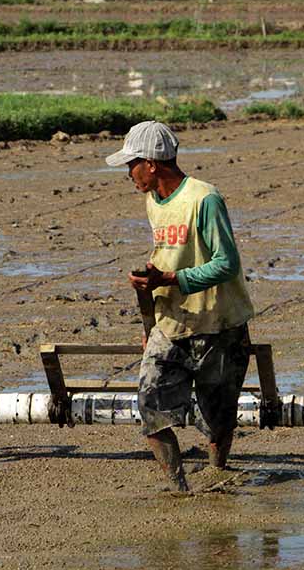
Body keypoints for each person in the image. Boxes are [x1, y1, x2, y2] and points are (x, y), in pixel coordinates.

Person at [105, 121, 255, 492]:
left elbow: (226, 264)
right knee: (151, 409)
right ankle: (179, 490)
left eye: (132, 165)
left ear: (151, 163)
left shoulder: (204, 199)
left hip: (219, 325)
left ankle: (217, 475)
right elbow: (169, 254)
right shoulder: (152, 201)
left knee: (218, 419)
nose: (129, 173)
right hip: (171, 323)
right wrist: (150, 304)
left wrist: (171, 279)